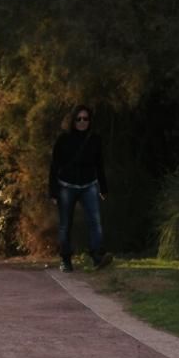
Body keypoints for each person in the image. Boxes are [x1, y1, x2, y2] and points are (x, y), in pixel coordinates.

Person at [48, 104, 112, 272]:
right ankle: (66, 259)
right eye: (79, 119)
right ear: (73, 121)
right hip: (66, 186)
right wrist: (53, 191)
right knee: (65, 224)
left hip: (89, 184)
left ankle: (97, 255)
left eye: (86, 119)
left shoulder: (94, 139)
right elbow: (54, 166)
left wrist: (103, 188)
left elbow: (99, 164)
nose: (82, 122)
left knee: (95, 221)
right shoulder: (63, 140)